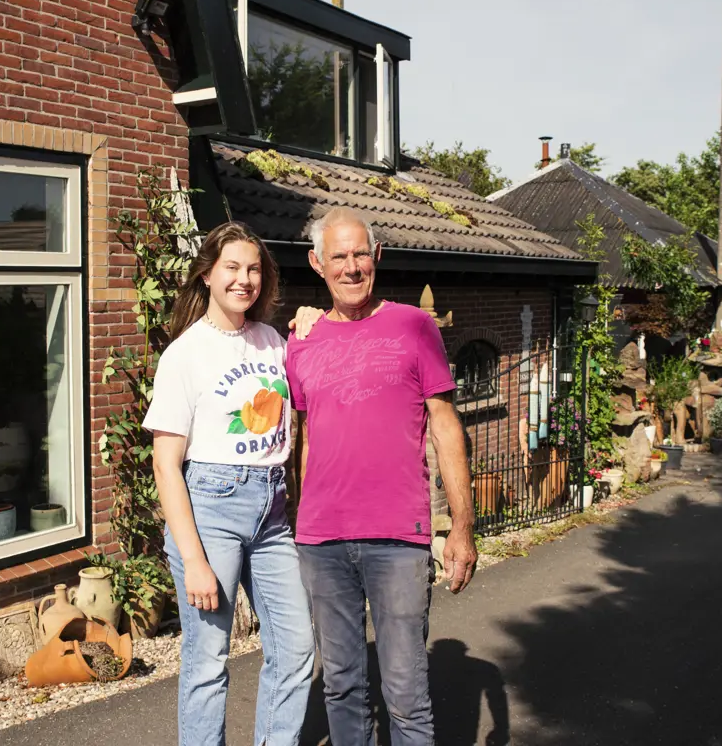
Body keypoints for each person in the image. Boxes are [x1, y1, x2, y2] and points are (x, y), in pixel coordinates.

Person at [286, 207, 478, 746]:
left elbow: (444, 426)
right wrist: (298, 518)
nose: (350, 267)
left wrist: (461, 525)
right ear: (317, 263)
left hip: (398, 538)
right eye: (338, 256)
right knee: (342, 688)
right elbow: (302, 439)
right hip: (322, 540)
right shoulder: (300, 341)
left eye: (360, 254)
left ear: (377, 258)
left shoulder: (414, 326)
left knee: (406, 692)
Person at [144, 221, 315, 746]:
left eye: (254, 269)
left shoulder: (271, 342)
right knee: (207, 661)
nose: (245, 280)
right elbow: (165, 465)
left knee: (296, 648)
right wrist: (193, 559)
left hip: (271, 513)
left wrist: (312, 320)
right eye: (233, 268)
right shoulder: (185, 354)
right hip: (210, 511)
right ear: (208, 276)